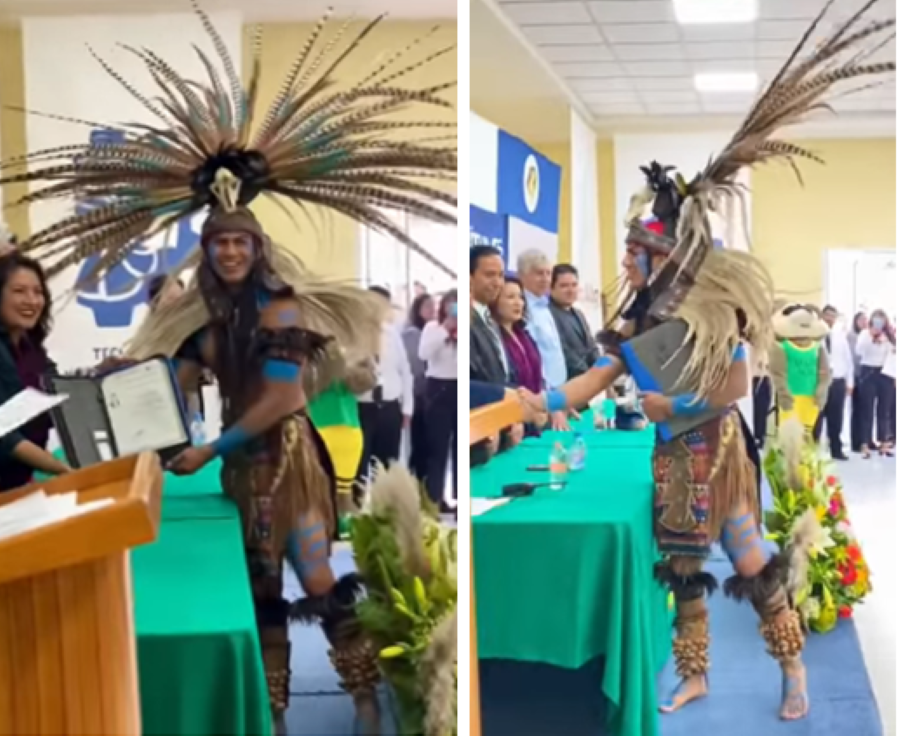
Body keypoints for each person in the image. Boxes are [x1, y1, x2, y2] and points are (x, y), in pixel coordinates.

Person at [1, 10, 458, 732]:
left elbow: (280, 398)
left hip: (290, 466)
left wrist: (210, 446)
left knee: (313, 575)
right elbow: (173, 387)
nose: (230, 254)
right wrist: (118, 392)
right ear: (207, 251)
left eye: (241, 243)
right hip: (242, 474)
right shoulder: (206, 322)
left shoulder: (280, 309)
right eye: (220, 245)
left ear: (256, 245)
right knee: (258, 588)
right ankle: (272, 712)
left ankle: (365, 696)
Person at [515, 32, 896, 711]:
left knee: (750, 562)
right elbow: (595, 379)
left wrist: (673, 407)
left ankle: (794, 669)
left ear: (660, 253)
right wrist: (539, 400)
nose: (626, 261)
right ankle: (695, 673)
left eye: (634, 251)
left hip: (719, 459)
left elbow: (736, 387)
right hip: (670, 467)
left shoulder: (713, 311)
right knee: (684, 573)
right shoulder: (635, 319)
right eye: (628, 250)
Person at [0, 252, 70, 490]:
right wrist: (61, 469)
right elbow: (5, 438)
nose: (31, 300)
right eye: (19, 291)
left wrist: (107, 374)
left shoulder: (33, 350)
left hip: (18, 485)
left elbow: (59, 390)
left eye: (38, 292)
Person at [355, 286, 414, 491]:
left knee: (388, 464)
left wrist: (407, 408)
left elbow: (405, 371)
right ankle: (358, 510)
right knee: (360, 464)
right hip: (362, 406)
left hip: (389, 406)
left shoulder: (392, 334)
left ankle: (386, 513)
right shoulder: (353, 333)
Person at [419, 290, 457, 513]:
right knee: (437, 448)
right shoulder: (432, 329)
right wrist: (446, 327)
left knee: (462, 447)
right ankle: (434, 499)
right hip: (438, 388)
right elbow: (423, 354)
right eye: (451, 306)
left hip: (460, 387)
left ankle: (460, 499)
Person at [491, 277, 541, 439]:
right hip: (513, 422)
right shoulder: (494, 339)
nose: (518, 303)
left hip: (535, 418)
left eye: (520, 297)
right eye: (510, 297)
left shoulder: (524, 335)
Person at [813, 305, 854, 460]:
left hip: (838, 382)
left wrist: (850, 382)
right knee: (817, 418)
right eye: (827, 315)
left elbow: (848, 360)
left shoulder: (840, 336)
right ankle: (814, 451)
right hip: (820, 383)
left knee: (836, 418)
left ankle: (836, 449)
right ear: (822, 316)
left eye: (833, 316)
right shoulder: (815, 336)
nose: (830, 318)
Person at [402, 293, 435, 480]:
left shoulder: (435, 330)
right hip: (419, 399)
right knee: (420, 446)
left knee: (431, 448)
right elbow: (416, 366)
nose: (432, 310)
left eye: (434, 306)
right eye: (427, 306)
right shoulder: (412, 334)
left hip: (431, 399)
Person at [856, 309, 895, 458]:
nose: (879, 323)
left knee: (884, 410)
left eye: (882, 320)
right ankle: (865, 444)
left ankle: (884, 443)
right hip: (868, 372)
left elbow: (894, 354)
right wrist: (871, 335)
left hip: (885, 373)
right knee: (867, 410)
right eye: (876, 320)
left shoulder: (890, 335)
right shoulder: (865, 334)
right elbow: (859, 351)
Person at [548, 264, 599, 380]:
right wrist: (588, 375)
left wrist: (601, 370)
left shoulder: (578, 314)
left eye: (574, 285)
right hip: (568, 383)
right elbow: (563, 351)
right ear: (551, 288)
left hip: (590, 382)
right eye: (564, 286)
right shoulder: (548, 315)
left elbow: (591, 346)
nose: (570, 290)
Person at [848, 311, 868, 452]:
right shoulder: (851, 336)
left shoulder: (869, 336)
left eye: (866, 320)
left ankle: (866, 440)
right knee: (857, 410)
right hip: (855, 375)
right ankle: (856, 442)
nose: (863, 322)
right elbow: (852, 356)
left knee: (866, 410)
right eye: (861, 319)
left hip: (866, 376)